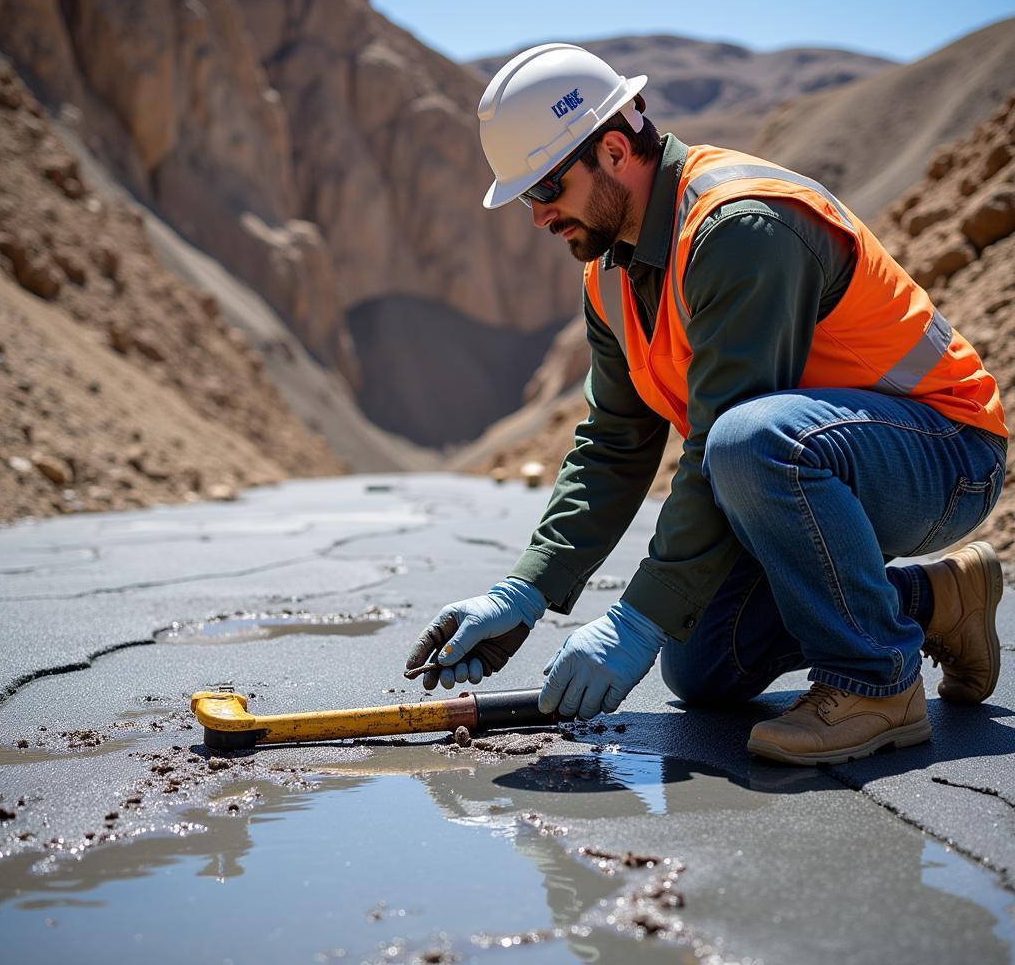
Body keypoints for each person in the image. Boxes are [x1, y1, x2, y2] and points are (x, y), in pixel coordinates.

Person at [403, 43, 1008, 765]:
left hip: (945, 456)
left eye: (546, 189)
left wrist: (632, 619)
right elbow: (615, 445)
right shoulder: (610, 275)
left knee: (748, 444)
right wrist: (526, 590)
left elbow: (732, 433)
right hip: (813, 463)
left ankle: (877, 683)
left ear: (616, 149)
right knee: (700, 662)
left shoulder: (740, 227)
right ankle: (938, 602)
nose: (538, 217)